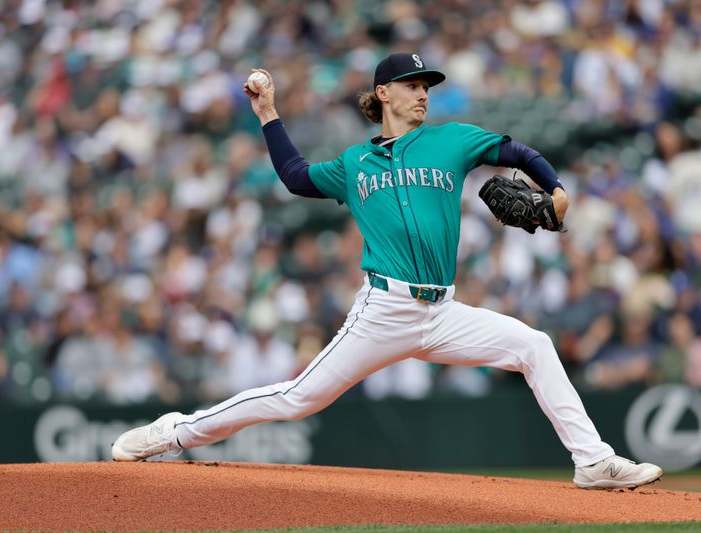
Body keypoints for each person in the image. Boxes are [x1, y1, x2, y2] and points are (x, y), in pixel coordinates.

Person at [112, 53, 662, 490]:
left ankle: (593, 462)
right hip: (383, 309)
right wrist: (268, 115)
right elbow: (297, 178)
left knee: (535, 345)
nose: (423, 92)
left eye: (427, 84)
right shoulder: (354, 163)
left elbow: (515, 150)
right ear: (384, 93)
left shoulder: (451, 140)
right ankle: (175, 432)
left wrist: (558, 190)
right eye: (413, 84)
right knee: (298, 398)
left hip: (443, 310)